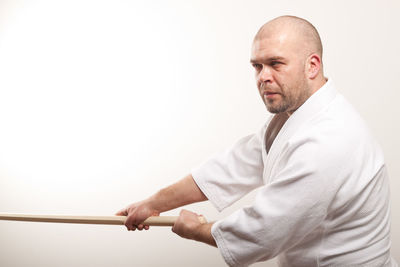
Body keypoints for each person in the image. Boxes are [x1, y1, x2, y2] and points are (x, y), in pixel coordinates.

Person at [116, 15, 397, 266]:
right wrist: (153, 203)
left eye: (276, 64)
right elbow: (231, 168)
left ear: (312, 65)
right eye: (257, 66)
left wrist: (197, 229)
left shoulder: (329, 140)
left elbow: (265, 229)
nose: (263, 77)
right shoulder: (296, 118)